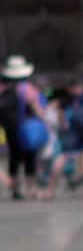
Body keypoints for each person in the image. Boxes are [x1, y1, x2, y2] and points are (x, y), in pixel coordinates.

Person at [0, 55, 46, 201]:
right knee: (29, 158)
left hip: (10, 128)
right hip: (26, 128)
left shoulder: (4, 89)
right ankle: (31, 189)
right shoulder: (27, 89)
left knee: (14, 159)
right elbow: (38, 109)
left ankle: (15, 189)